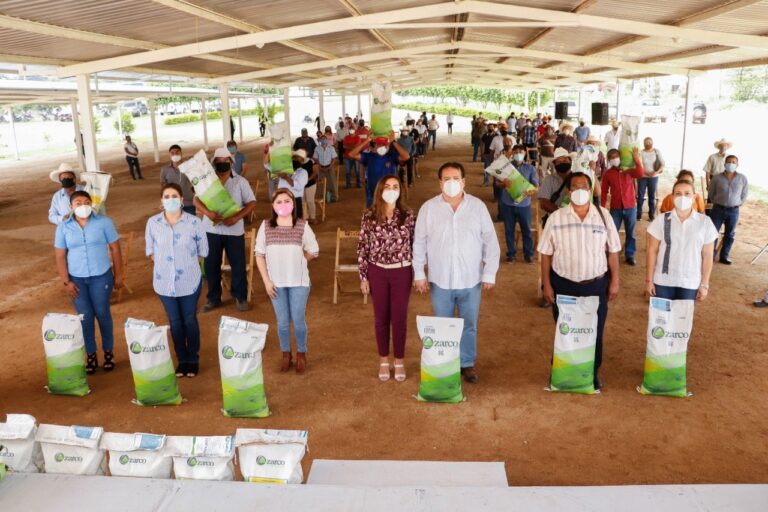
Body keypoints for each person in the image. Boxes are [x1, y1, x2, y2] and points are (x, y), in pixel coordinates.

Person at [413, 162, 501, 384]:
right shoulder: (428, 208)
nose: (451, 183)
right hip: (440, 279)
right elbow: (419, 243)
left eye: (456, 178)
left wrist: (489, 273)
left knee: (469, 323)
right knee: (442, 324)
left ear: (463, 181)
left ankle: (466, 363)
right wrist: (419, 274)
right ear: (440, 182)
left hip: (471, 279)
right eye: (446, 179)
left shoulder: (478, 207)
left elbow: (490, 242)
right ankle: (445, 364)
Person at [538, 172, 621, 390]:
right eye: (575, 187)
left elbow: (613, 252)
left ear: (591, 188)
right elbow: (546, 254)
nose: (580, 191)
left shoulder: (603, 216)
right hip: (563, 283)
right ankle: (563, 370)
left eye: (584, 186)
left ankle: (592, 372)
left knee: (595, 329)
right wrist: (546, 284)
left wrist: (615, 282)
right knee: (565, 329)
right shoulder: (556, 218)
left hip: (596, 285)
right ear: (568, 192)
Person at [54, 190, 123, 374]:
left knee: (102, 312)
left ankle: (108, 352)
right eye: (78, 202)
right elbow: (60, 255)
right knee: (84, 316)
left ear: (92, 204)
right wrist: (66, 282)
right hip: (76, 279)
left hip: (101, 276)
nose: (82, 205)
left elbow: (115, 249)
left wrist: (118, 275)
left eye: (86, 201)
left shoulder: (104, 223)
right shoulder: (63, 228)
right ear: (71, 207)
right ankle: (91, 355)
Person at [145, 183, 208, 378]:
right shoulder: (153, 223)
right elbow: (151, 251)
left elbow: (203, 250)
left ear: (181, 200)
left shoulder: (194, 223)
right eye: (166, 196)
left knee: (189, 319)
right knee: (175, 321)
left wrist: (185, 263)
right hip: (164, 283)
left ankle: (193, 358)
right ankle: (182, 359)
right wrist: (166, 265)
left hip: (189, 280)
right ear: (161, 201)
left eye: (174, 196)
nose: (170, 199)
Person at [357, 176, 416, 382]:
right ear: (380, 190)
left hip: (402, 271)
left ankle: (399, 360)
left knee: (399, 318)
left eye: (395, 186)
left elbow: (415, 244)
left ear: (400, 190)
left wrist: (419, 273)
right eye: (387, 186)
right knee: (381, 318)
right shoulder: (369, 215)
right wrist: (363, 276)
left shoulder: (407, 215)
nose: (391, 190)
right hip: (377, 271)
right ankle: (383, 359)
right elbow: (363, 246)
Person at [255, 188, 319, 374]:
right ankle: (286, 353)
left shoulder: (301, 225)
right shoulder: (266, 226)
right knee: (282, 322)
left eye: (287, 200)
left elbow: (314, 249)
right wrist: (267, 281)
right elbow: (259, 255)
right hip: (276, 284)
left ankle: (301, 353)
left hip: (299, 283)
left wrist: (300, 262)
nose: (283, 204)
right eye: (279, 201)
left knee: (298, 320)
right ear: (273, 206)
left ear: (293, 203)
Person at [195, 147, 257, 313]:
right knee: (211, 265)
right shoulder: (207, 181)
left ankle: (240, 297)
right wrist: (207, 213)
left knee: (238, 264)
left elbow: (251, 202)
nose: (222, 164)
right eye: (219, 162)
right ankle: (213, 298)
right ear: (214, 163)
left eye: (225, 161)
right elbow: (196, 200)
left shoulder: (240, 182)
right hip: (210, 229)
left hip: (234, 230)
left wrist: (237, 217)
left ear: (231, 162)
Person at [645, 179, 717, 301]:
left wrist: (704, 284)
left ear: (694, 197)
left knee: (682, 319)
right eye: (678, 193)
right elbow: (652, 251)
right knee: (661, 318)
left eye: (687, 193)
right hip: (663, 281)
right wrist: (649, 280)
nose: (682, 197)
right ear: (672, 197)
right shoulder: (661, 220)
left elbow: (708, 255)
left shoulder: (705, 222)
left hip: (690, 282)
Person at [600, 147, 645, 265]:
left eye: (616, 156)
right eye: (612, 157)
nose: (615, 159)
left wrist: (636, 158)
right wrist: (602, 208)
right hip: (615, 208)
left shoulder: (629, 170)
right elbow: (604, 191)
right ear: (609, 160)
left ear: (620, 157)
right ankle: (611, 253)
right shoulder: (608, 174)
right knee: (611, 231)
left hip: (630, 206)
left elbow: (640, 173)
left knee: (631, 232)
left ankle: (629, 255)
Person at [496, 144, 539, 263]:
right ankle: (511, 254)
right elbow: (497, 183)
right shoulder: (506, 167)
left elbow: (536, 186)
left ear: (525, 153)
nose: (518, 154)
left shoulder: (530, 169)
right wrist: (503, 184)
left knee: (526, 230)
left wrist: (531, 191)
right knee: (509, 230)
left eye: (520, 151)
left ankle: (528, 254)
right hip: (507, 203)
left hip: (524, 204)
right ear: (512, 153)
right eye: (515, 152)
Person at [349, 132, 410, 207]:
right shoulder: (368, 157)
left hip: (389, 193)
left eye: (384, 144)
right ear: (373, 147)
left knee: (390, 214)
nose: (382, 146)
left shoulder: (392, 157)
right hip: (373, 193)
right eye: (379, 144)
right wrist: (367, 140)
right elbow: (351, 154)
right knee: (372, 213)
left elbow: (406, 156)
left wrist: (393, 142)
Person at [708, 154, 748, 265]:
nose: (731, 164)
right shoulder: (716, 178)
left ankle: (724, 256)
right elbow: (711, 194)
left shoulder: (742, 178)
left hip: (733, 211)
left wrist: (738, 203)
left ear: (737, 164)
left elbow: (744, 194)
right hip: (717, 209)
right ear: (725, 164)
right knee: (712, 233)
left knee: (729, 234)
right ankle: (710, 255)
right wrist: (717, 201)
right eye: (729, 162)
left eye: (734, 162)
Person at [160, 144, 196, 215]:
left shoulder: (188, 167)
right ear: (169, 155)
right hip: (172, 204)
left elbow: (195, 181)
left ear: (181, 153)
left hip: (188, 203)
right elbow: (163, 184)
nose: (175, 154)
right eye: (172, 153)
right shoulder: (164, 169)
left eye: (177, 152)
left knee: (190, 224)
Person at [538, 147, 573, 217]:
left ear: (570, 161)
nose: (562, 163)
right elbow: (543, 203)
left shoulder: (577, 177)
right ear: (555, 164)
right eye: (559, 162)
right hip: (555, 219)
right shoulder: (549, 179)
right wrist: (563, 214)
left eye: (565, 160)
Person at [636, 137, 664, 221]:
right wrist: (645, 173)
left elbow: (662, 164)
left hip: (653, 177)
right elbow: (638, 164)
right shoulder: (641, 152)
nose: (648, 144)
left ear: (652, 143)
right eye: (646, 143)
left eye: (649, 142)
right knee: (640, 196)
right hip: (642, 177)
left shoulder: (657, 152)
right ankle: (638, 215)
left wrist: (656, 172)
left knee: (652, 196)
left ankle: (651, 215)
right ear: (644, 144)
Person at [277, 150, 310, 219]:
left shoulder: (303, 173)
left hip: (294, 200)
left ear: (302, 162)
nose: (296, 160)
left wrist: (286, 177)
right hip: (281, 199)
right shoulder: (284, 169)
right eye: (295, 158)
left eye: (299, 159)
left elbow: (299, 186)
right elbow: (267, 165)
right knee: (282, 221)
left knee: (296, 223)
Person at [312, 135, 338, 202]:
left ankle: (334, 197)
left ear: (327, 140)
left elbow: (334, 158)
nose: (323, 140)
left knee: (332, 182)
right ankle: (322, 197)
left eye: (324, 139)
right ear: (320, 141)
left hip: (330, 167)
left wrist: (330, 166)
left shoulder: (331, 148)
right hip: (321, 168)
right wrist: (319, 165)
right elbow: (315, 158)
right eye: (322, 139)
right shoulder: (317, 148)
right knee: (321, 183)